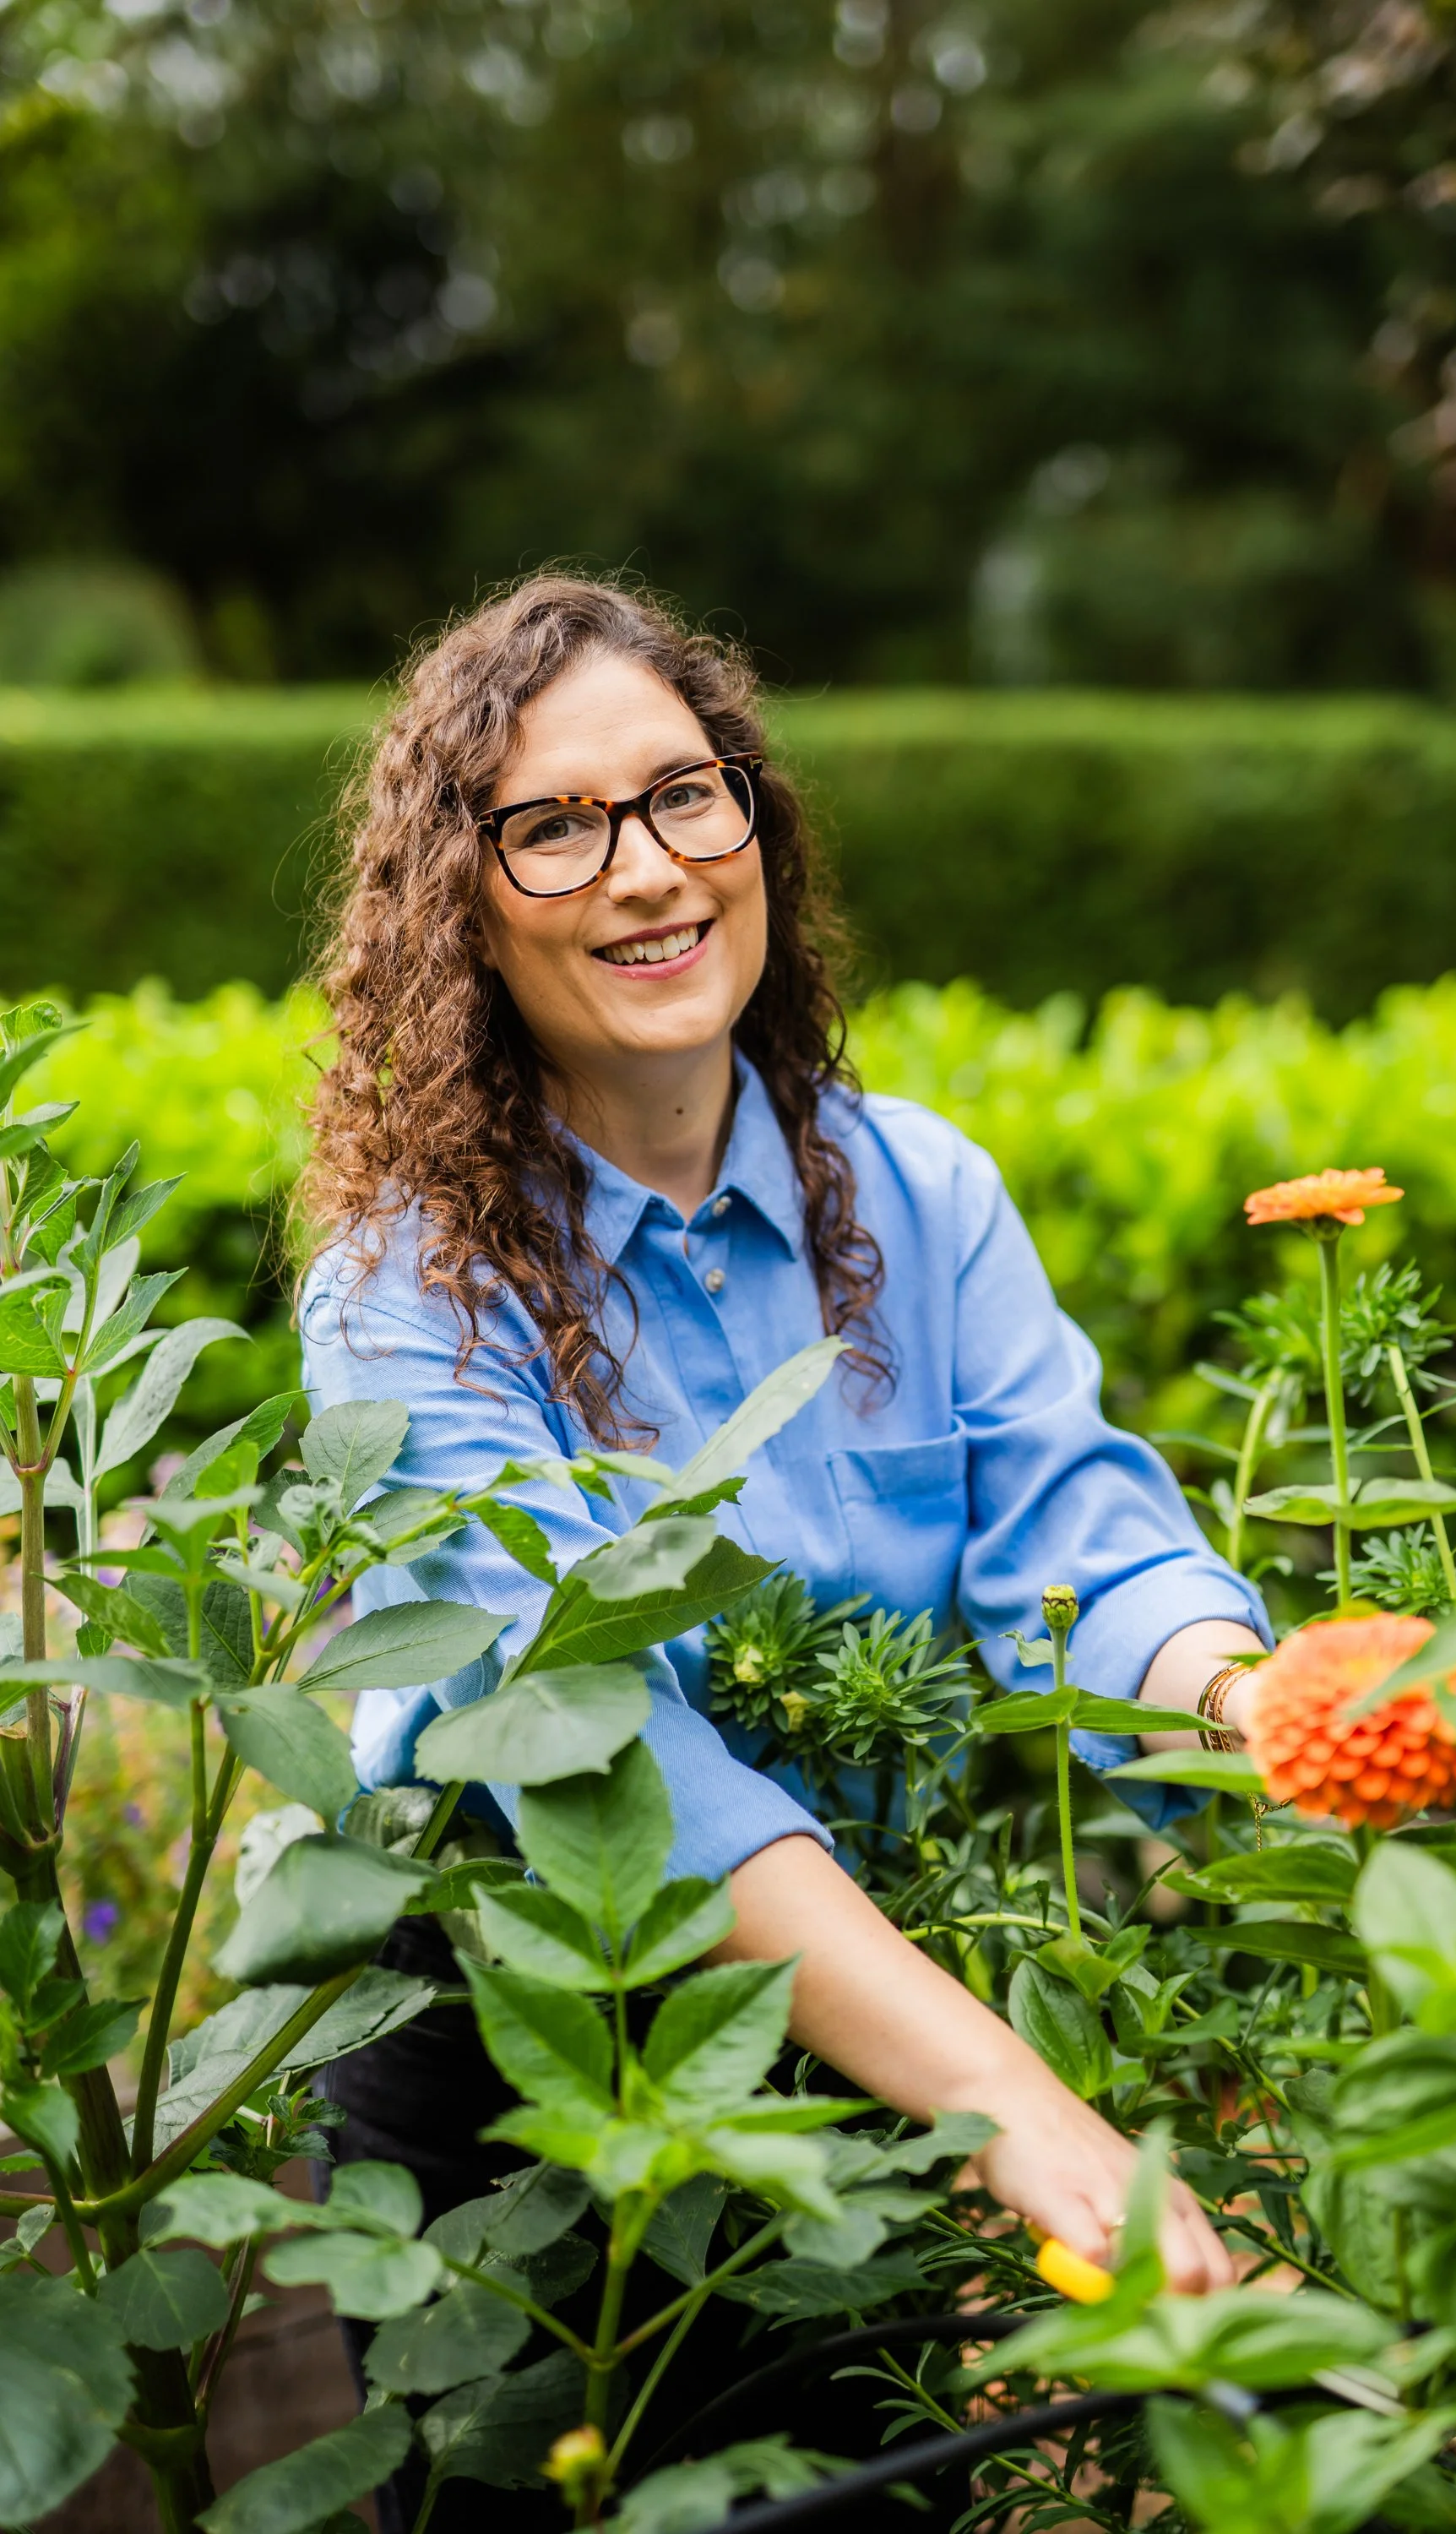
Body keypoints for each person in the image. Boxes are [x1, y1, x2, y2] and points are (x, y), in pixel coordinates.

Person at [297, 574, 1274, 2526]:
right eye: (553, 825)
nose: (645, 871)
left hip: (859, 2064)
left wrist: (1270, 1706)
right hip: (531, 2095)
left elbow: (1069, 1533)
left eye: (685, 794)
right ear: (461, 903)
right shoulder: (405, 1294)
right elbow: (598, 1751)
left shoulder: (917, 1191)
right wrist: (1018, 2103)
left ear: (756, 817)